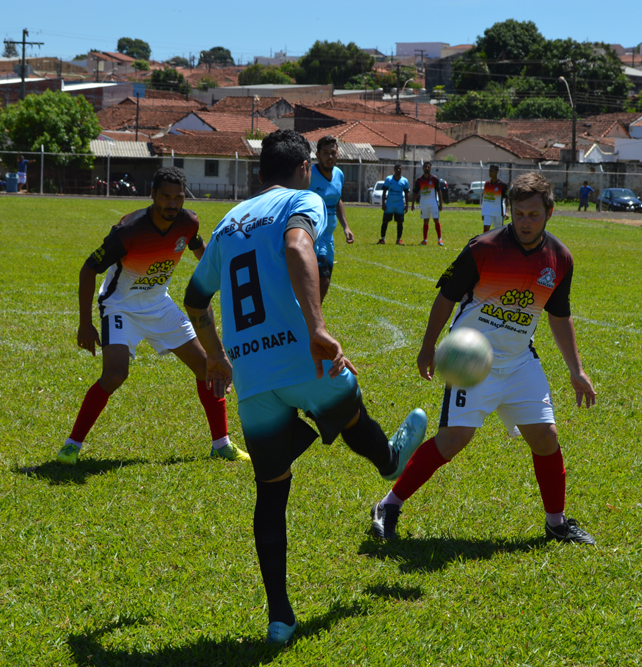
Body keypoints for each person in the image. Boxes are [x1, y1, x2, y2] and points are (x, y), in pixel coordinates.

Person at [184, 129, 427, 645]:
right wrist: (317, 327)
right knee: (350, 410)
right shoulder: (304, 198)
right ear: (301, 169)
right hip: (298, 355)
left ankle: (279, 618)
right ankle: (388, 460)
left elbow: (195, 297)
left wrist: (217, 359)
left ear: (258, 174)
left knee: (271, 495)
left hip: (250, 371)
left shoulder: (228, 223)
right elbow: (297, 245)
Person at [369, 171, 599, 546]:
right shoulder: (484, 248)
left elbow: (559, 315)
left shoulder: (559, 258)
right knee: (453, 439)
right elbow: (446, 297)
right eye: (519, 214)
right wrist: (428, 347)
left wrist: (576, 369)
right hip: (471, 361)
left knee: (545, 436)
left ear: (550, 213)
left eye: (533, 215)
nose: (525, 222)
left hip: (519, 360)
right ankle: (388, 505)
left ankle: (556, 523)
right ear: (509, 210)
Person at [56, 166, 249, 465]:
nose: (172, 204)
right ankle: (71, 446)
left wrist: (218, 278)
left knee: (207, 367)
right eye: (165, 197)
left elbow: (200, 249)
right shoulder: (128, 231)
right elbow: (88, 269)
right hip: (120, 305)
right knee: (115, 374)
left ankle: (221, 443)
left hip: (159, 305)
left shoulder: (188, 222)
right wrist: (85, 323)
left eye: (178, 197)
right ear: (153, 195)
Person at [308, 135, 354, 302]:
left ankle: (312, 315)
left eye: (332, 152)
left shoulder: (339, 175)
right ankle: (311, 318)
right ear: (318, 155)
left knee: (326, 281)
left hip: (328, 237)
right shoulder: (309, 175)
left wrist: (346, 227)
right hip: (313, 235)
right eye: (325, 153)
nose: (329, 156)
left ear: (338, 154)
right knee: (322, 277)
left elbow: (337, 200)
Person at [411, 161, 444, 246]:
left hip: (433, 203)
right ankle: (425, 240)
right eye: (425, 167)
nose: (427, 168)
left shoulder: (435, 179)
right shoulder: (419, 180)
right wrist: (413, 204)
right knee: (426, 221)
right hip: (424, 203)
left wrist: (441, 204)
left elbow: (439, 191)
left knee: (436, 220)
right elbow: (415, 192)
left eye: (428, 167)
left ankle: (440, 239)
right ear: (423, 168)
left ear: (431, 168)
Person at [377, 164, 410, 245]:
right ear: (394, 170)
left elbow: (406, 193)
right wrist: (383, 204)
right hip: (389, 204)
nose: (398, 170)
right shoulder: (389, 179)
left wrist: (407, 205)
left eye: (400, 169)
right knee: (385, 221)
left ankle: (398, 240)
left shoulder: (405, 181)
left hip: (399, 205)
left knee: (400, 222)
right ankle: (382, 239)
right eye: (397, 169)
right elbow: (384, 191)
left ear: (402, 170)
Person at [481, 164, 509, 232]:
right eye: (489, 171)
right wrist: (483, 212)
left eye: (492, 171)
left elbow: (507, 198)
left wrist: (507, 211)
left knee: (499, 231)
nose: (490, 173)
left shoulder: (503, 184)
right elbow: (484, 199)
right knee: (485, 230)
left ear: (497, 172)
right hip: (488, 211)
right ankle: (485, 242)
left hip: (498, 211)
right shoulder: (487, 183)